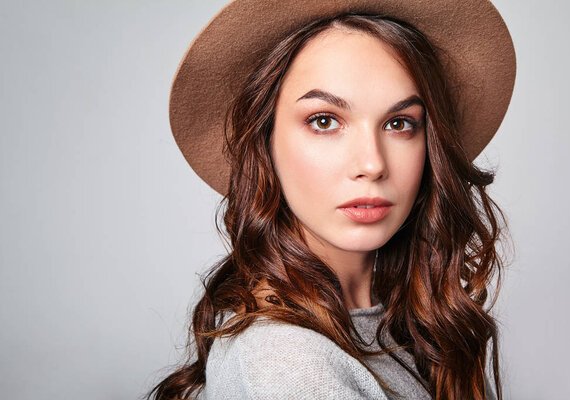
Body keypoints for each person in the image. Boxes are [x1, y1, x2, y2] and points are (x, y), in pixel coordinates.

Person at [146, 0, 516, 399]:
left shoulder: (410, 323)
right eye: (324, 121)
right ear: (265, 142)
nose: (372, 164)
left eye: (399, 123)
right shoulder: (287, 364)